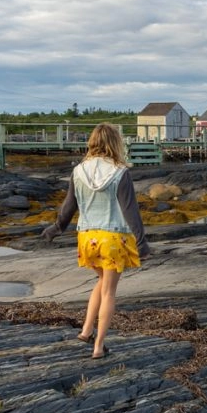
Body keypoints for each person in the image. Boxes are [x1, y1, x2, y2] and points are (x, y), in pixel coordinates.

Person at [42, 123, 149, 358]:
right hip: (112, 238)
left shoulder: (78, 171)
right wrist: (141, 241)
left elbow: (69, 206)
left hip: (87, 238)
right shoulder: (120, 172)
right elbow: (130, 210)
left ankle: (86, 330)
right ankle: (99, 346)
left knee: (101, 281)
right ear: (115, 143)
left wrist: (57, 227)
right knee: (110, 290)